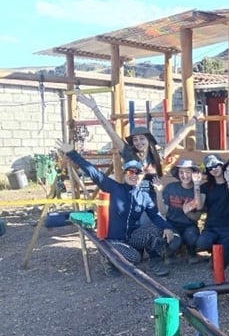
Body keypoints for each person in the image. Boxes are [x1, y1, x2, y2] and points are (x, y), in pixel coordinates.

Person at [56, 139, 174, 277]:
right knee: (135, 258)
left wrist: (167, 227)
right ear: (124, 175)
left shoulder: (144, 197)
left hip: (130, 238)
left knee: (157, 231)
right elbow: (92, 171)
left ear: (142, 176)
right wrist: (72, 153)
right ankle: (108, 259)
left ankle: (155, 263)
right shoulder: (113, 188)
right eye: (130, 172)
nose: (134, 176)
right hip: (113, 240)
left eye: (138, 173)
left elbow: (155, 216)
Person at [75, 93, 195, 203]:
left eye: (142, 139)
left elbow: (178, 137)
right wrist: (94, 108)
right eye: (135, 140)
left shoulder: (158, 155)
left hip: (152, 200)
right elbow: (109, 129)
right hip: (131, 198)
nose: (138, 142)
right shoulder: (128, 152)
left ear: (149, 140)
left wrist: (193, 120)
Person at [155, 158, 205, 265]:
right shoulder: (171, 188)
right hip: (172, 223)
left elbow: (198, 211)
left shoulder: (199, 190)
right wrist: (159, 193)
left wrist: (196, 185)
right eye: (181, 172)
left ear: (193, 173)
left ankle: (192, 253)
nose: (184, 175)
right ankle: (169, 253)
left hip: (189, 225)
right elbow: (163, 211)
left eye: (188, 172)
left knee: (192, 236)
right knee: (174, 241)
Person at [196, 154, 229, 266]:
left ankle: (228, 250)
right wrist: (196, 185)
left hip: (228, 227)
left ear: (222, 165)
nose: (214, 169)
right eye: (210, 168)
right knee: (202, 243)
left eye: (216, 165)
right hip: (211, 226)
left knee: (219, 264)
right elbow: (199, 206)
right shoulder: (206, 186)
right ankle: (215, 249)